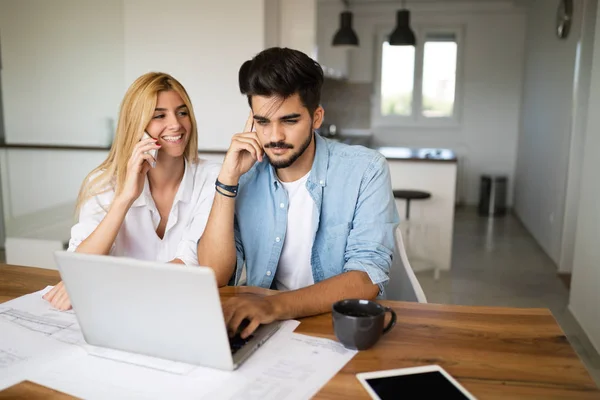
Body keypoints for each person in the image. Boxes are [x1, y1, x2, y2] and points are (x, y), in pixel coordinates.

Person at [197, 47, 399, 338]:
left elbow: (367, 277)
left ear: (316, 118)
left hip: (334, 327)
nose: (275, 137)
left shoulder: (365, 170)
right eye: (263, 122)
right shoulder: (245, 174)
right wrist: (227, 181)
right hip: (264, 327)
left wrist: (274, 307)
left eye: (289, 121)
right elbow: (213, 274)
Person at [44, 72, 220, 310]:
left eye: (182, 112)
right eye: (159, 115)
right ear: (137, 125)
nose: (176, 124)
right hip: (120, 313)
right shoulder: (105, 183)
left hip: (185, 308)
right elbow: (79, 266)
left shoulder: (212, 178)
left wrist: (103, 279)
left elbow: (193, 264)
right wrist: (125, 198)